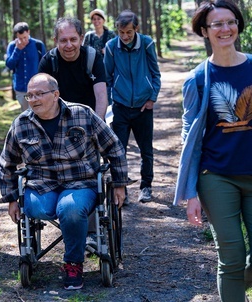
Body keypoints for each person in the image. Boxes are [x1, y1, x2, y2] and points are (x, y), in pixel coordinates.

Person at [0, 73, 128, 290]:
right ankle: (41, 247)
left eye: (40, 94)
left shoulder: (82, 114)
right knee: (35, 208)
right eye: (30, 95)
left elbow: (113, 146)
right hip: (42, 184)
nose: (34, 99)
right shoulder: (21, 124)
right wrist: (11, 198)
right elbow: (6, 163)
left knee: (69, 209)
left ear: (56, 94)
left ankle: (73, 263)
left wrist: (119, 183)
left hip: (80, 183)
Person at [174, 0, 252, 300]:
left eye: (230, 21)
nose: (225, 29)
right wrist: (190, 191)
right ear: (205, 31)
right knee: (231, 256)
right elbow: (190, 136)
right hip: (217, 176)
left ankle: (236, 279)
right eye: (217, 24)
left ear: (238, 25)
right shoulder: (198, 78)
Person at [104, 10, 161, 203]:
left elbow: (155, 74)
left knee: (146, 150)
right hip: (120, 107)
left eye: (128, 32)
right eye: (121, 32)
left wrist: (152, 97)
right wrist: (112, 103)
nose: (125, 36)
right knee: (119, 151)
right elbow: (107, 77)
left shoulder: (147, 44)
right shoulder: (111, 47)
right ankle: (122, 191)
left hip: (143, 107)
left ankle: (146, 187)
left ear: (136, 29)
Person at [38, 17, 108, 120]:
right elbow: (40, 97)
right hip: (59, 121)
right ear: (55, 41)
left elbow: (101, 94)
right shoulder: (48, 61)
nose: (69, 45)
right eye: (63, 40)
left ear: (81, 39)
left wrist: (98, 124)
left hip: (90, 118)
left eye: (73, 39)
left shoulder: (92, 57)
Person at [6, 22, 46, 111]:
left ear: (28, 32)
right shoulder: (12, 46)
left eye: (25, 37)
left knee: (37, 112)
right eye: (20, 38)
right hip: (22, 89)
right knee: (26, 112)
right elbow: (10, 65)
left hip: (37, 88)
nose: (23, 40)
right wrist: (17, 50)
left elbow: (44, 66)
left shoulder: (38, 45)